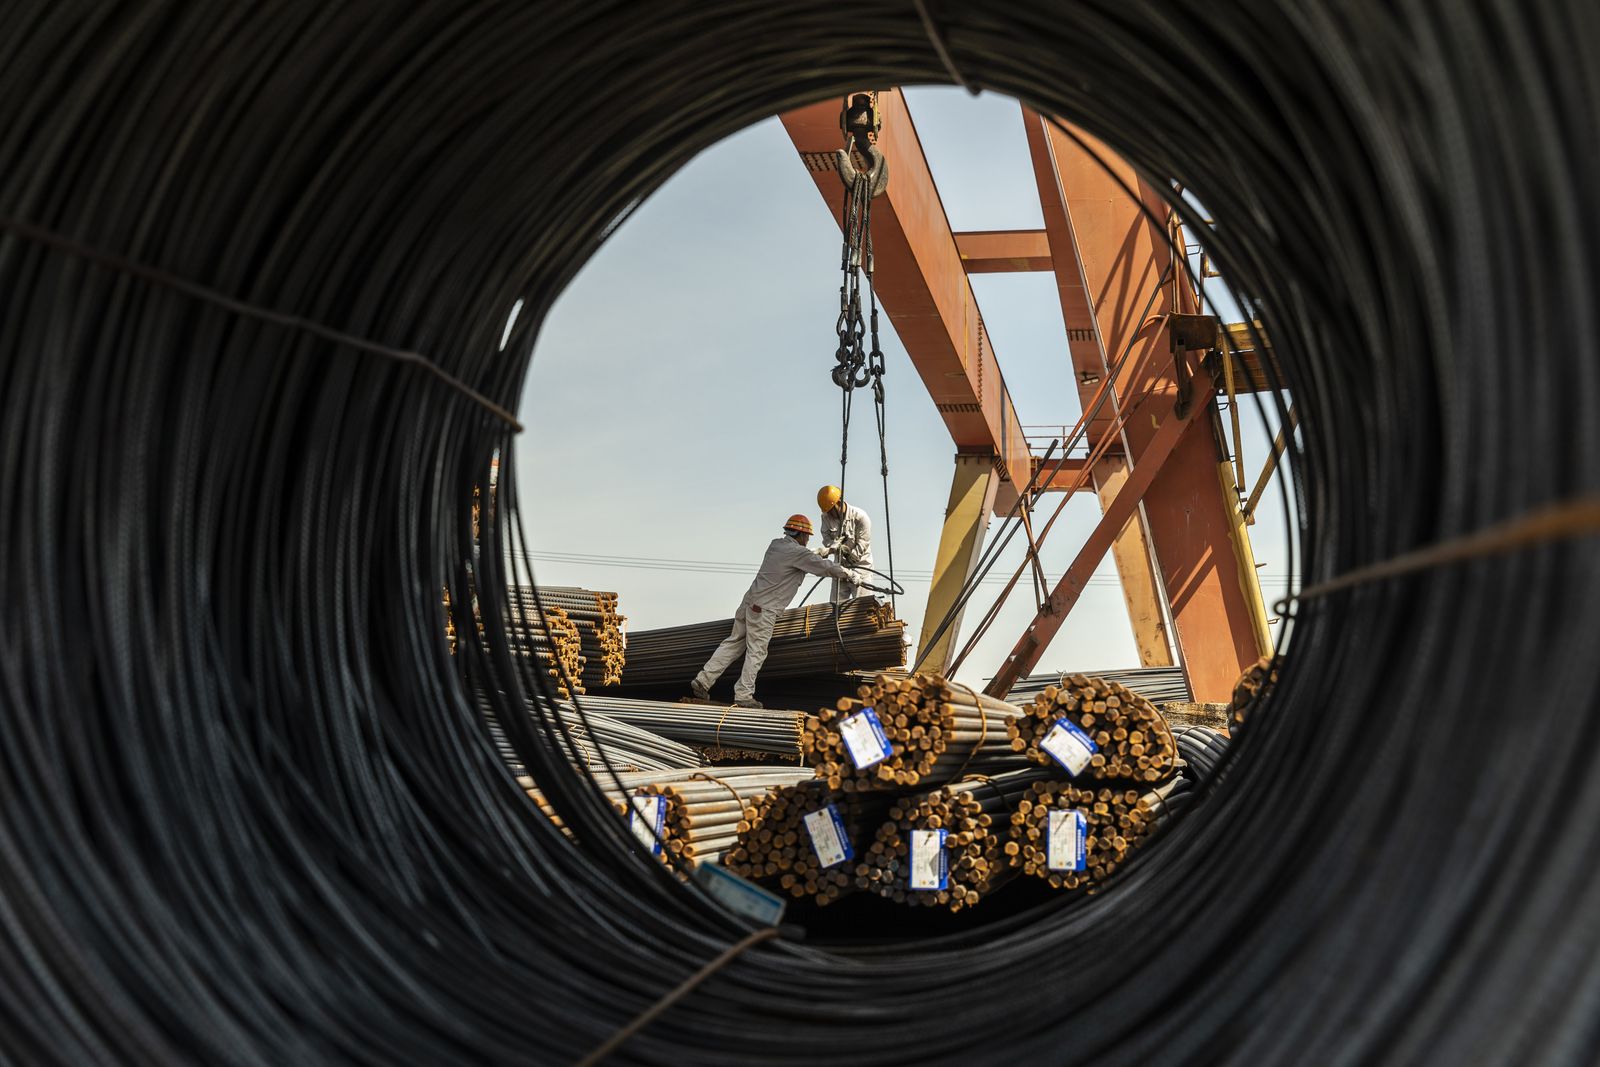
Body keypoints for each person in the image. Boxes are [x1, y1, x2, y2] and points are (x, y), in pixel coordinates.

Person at [690, 514, 860, 708]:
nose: (807, 540)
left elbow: (808, 555)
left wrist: (830, 549)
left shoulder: (776, 545)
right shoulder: (798, 554)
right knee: (757, 652)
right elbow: (823, 567)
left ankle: (703, 680)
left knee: (733, 643)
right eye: (807, 536)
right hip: (764, 610)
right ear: (801, 535)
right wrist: (850, 574)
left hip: (748, 604)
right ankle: (743, 695)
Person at [814, 484, 872, 602]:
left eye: (831, 511)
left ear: (839, 503)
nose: (828, 514)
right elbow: (826, 538)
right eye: (827, 512)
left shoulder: (860, 517)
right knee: (835, 607)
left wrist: (849, 554)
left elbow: (863, 543)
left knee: (862, 607)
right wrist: (834, 547)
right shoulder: (826, 517)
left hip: (860, 569)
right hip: (840, 568)